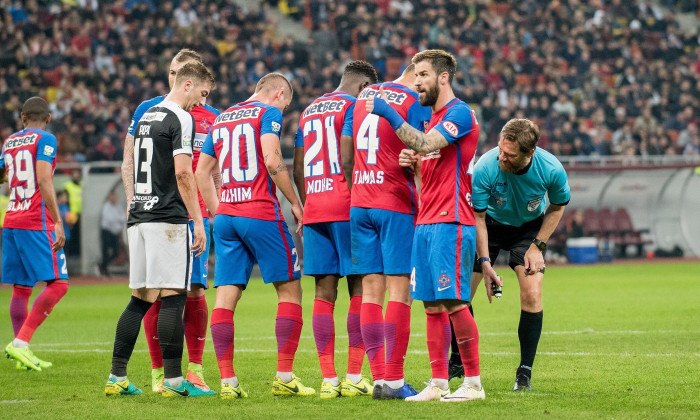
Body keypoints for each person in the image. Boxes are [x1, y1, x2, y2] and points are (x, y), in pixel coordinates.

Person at [368, 49, 484, 402]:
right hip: (426, 221)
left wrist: (387, 112)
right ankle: (438, 383)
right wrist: (412, 164)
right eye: (415, 75)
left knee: (454, 303)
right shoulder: (430, 121)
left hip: (452, 222)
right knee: (431, 306)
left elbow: (424, 143)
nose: (417, 82)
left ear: (443, 77)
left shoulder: (461, 113)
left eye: (422, 75)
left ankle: (473, 384)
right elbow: (425, 165)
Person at [104, 61, 216, 397]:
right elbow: (184, 174)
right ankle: (172, 381)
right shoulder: (180, 117)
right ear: (187, 84)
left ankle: (117, 376)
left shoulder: (147, 114)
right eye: (202, 93)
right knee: (173, 297)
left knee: (139, 298)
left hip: (140, 215)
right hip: (167, 218)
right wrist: (197, 220)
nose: (201, 102)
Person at [195, 73, 309, 399]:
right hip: (259, 211)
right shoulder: (267, 113)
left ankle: (228, 383)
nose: (284, 111)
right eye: (285, 104)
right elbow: (274, 161)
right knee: (289, 290)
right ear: (277, 94)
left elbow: (202, 172)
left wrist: (218, 211)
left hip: (227, 215)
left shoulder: (222, 117)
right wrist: (296, 204)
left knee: (225, 298)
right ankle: (285, 377)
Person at [292, 60, 378, 399]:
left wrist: (308, 203)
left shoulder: (310, 110)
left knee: (323, 294)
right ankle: (354, 376)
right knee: (361, 288)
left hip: (315, 208)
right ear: (362, 87)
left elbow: (297, 165)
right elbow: (353, 158)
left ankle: (328, 380)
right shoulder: (356, 106)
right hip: (347, 206)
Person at [465, 118, 570, 391]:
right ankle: (457, 361)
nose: (502, 156)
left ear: (529, 154)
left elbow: (557, 207)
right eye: (501, 149)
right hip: (488, 225)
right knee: (462, 294)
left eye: (509, 155)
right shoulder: (486, 167)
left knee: (533, 293)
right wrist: (485, 263)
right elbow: (477, 217)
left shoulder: (552, 170)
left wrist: (539, 245)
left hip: (528, 230)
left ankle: (524, 372)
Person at [349, 63, 432, 400]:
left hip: (360, 201)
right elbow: (424, 150)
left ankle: (379, 378)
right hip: (394, 201)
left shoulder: (363, 97)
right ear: (417, 73)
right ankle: (395, 381)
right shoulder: (413, 100)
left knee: (371, 292)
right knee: (400, 292)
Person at [2, 97, 69, 371]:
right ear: (49, 118)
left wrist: (15, 176)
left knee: (22, 287)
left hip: (11, 220)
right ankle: (21, 343)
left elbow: (3, 174)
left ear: (22, 117)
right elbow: (43, 178)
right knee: (59, 284)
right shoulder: (46, 139)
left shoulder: (9, 142)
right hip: (34, 220)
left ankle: (22, 355)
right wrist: (58, 221)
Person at [100, 190, 125, 277]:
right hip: (106, 231)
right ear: (109, 197)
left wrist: (118, 218)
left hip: (115, 233)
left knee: (116, 252)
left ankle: (102, 265)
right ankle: (104, 269)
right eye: (112, 196)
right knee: (105, 252)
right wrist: (119, 218)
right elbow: (110, 219)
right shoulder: (106, 207)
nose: (114, 198)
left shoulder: (118, 206)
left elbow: (124, 217)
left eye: (115, 196)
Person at [63, 169, 82, 256]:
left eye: (77, 175)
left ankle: (77, 252)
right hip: (71, 213)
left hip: (81, 213)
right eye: (74, 175)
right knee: (72, 233)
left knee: (79, 234)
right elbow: (66, 199)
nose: (76, 176)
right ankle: (71, 252)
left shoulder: (82, 185)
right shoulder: (68, 186)